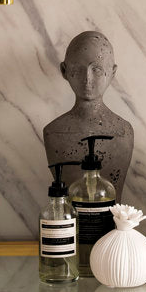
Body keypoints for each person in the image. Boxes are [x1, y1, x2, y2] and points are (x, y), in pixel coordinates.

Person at [42, 30, 134, 197]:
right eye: (78, 69)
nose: (87, 79)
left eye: (97, 70)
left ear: (112, 73)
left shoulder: (123, 131)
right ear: (64, 71)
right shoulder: (53, 132)